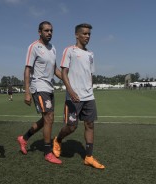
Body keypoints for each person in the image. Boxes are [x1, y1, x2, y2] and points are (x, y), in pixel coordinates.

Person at [52, 23, 105, 169]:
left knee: (90, 125)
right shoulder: (69, 50)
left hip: (89, 96)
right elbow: (63, 72)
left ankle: (89, 157)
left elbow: (90, 74)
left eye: (89, 34)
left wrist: (90, 90)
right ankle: (58, 139)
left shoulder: (91, 54)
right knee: (71, 127)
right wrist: (70, 91)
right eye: (85, 34)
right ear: (77, 35)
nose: (87, 36)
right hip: (73, 97)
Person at [17, 21, 62, 164]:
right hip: (39, 86)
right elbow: (27, 69)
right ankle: (48, 152)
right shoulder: (33, 47)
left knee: (46, 120)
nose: (49, 33)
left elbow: (55, 69)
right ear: (39, 32)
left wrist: (68, 80)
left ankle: (24, 138)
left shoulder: (53, 48)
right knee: (49, 117)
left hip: (49, 87)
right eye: (46, 30)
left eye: (51, 31)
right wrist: (27, 92)